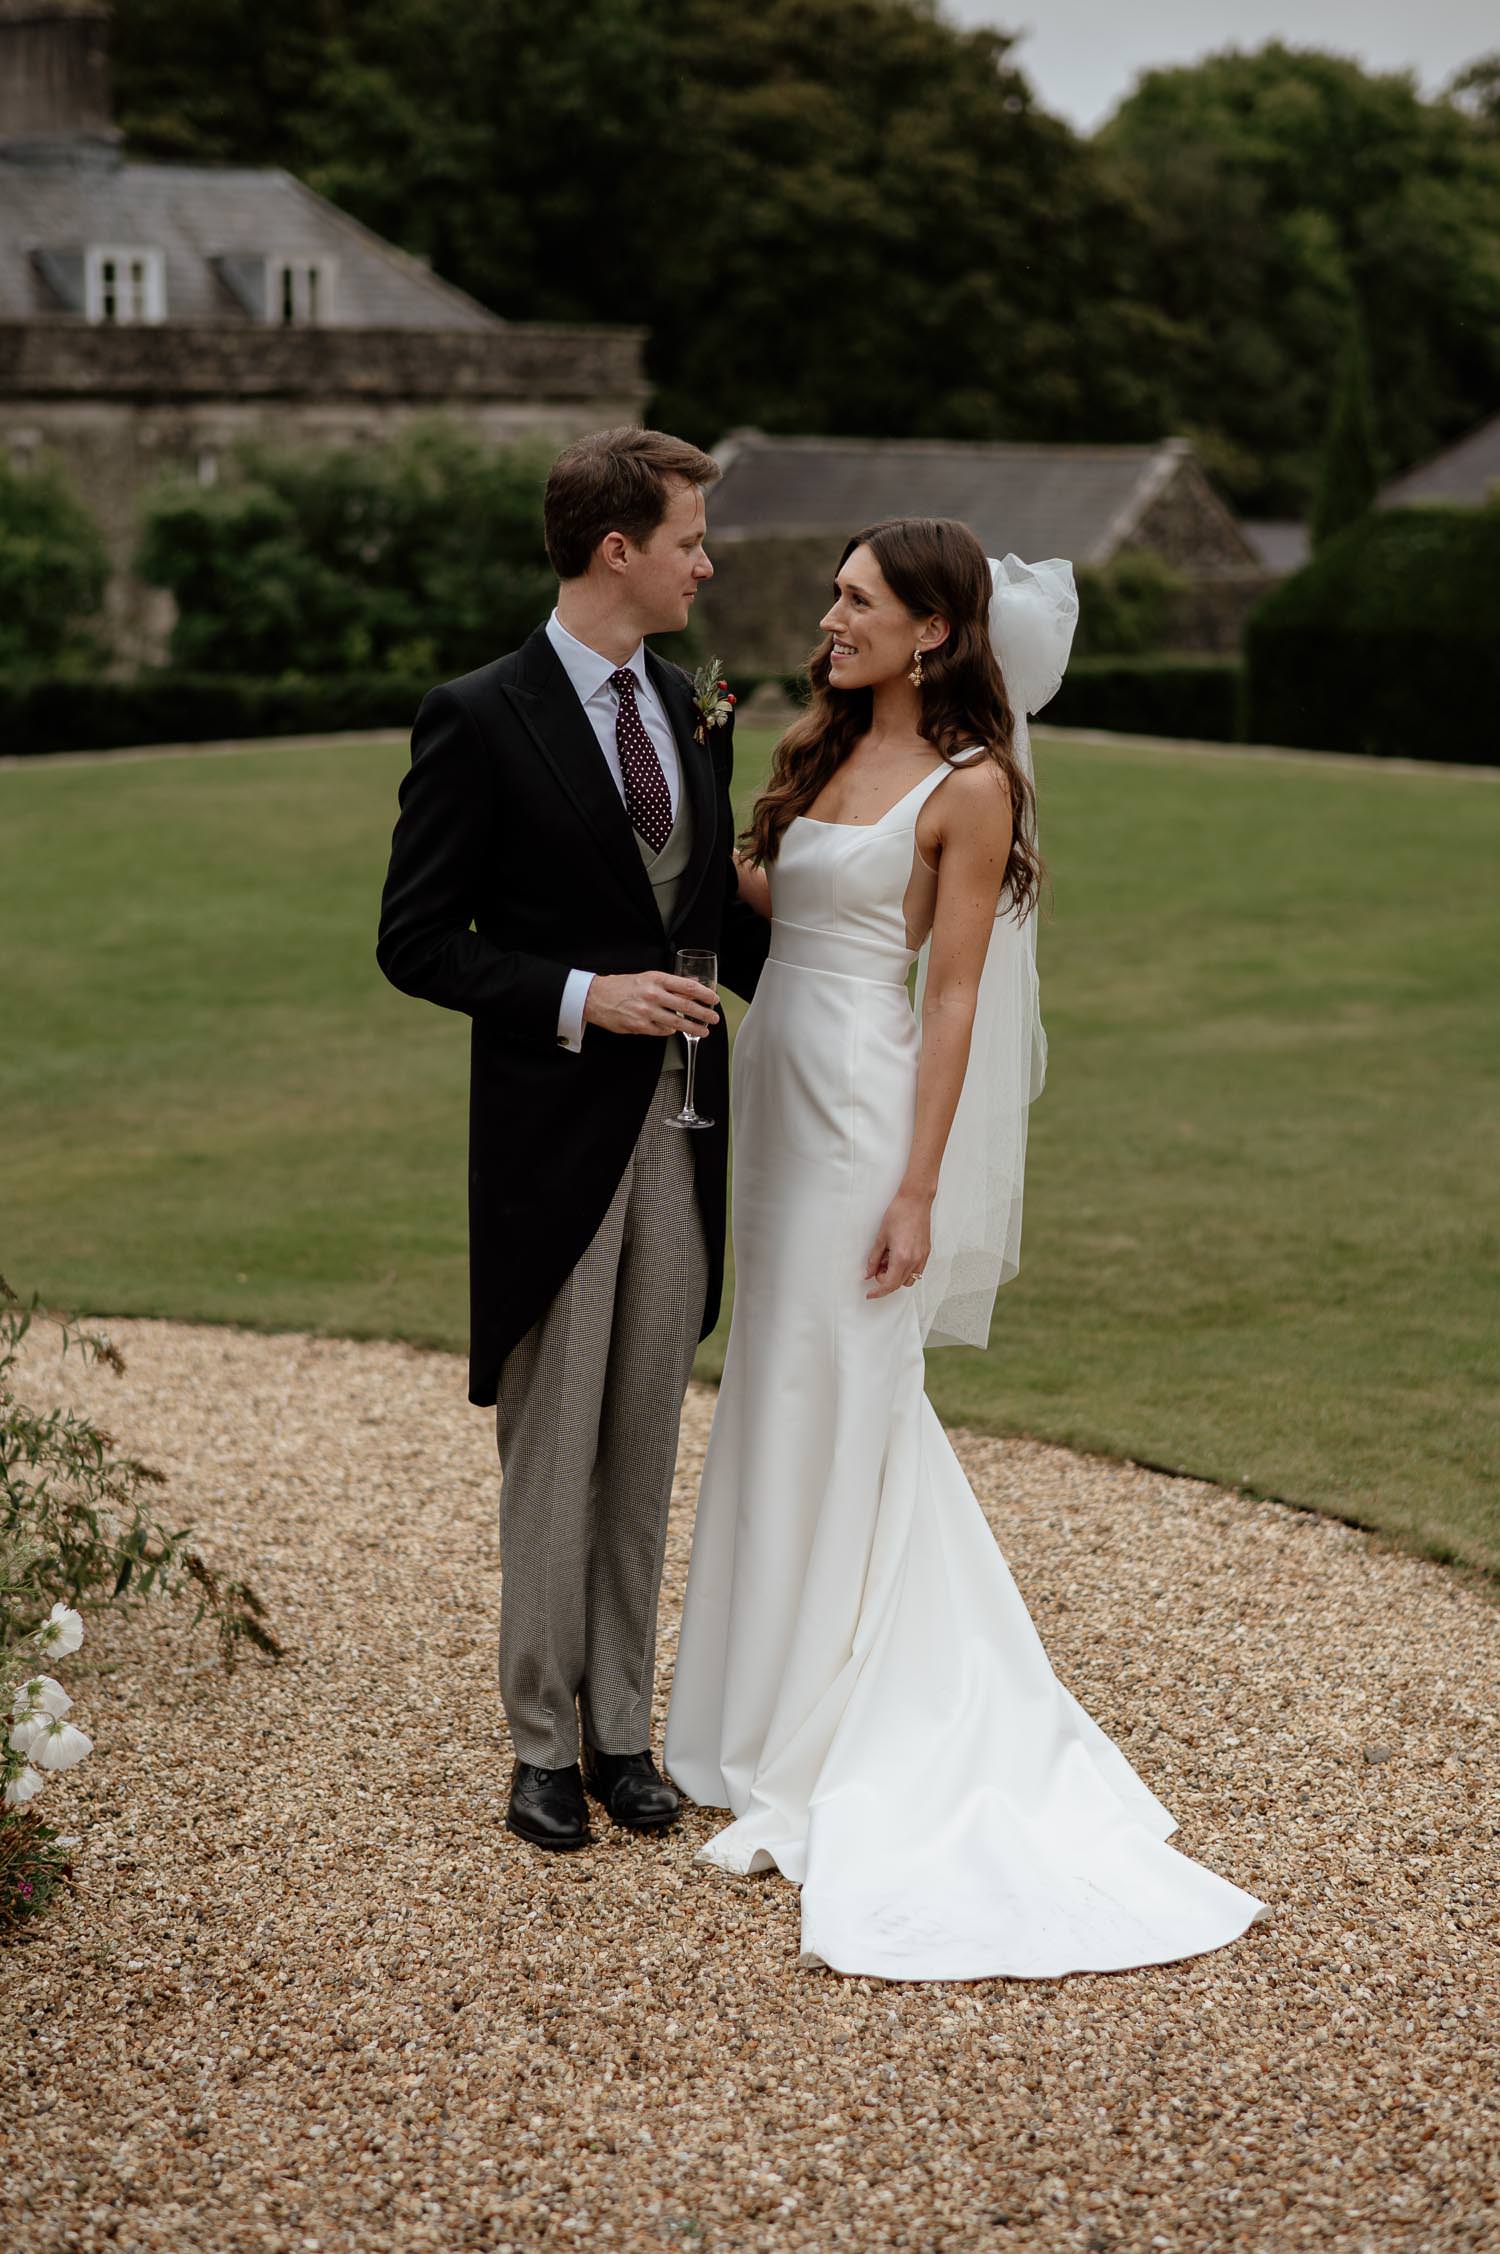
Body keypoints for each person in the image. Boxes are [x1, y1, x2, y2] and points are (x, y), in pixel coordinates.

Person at [665, 517, 1269, 1979]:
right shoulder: (820, 750)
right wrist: (692, 772)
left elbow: (948, 999)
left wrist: (920, 1187)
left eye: (859, 598)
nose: (831, 613)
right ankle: (749, 1707)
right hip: (782, 1100)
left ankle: (845, 1711)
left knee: (848, 1394)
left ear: (934, 629)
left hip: (871, 1120)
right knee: (778, 1385)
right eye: (836, 595)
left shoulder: (971, 782)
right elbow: (776, 907)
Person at [377, 427, 769, 1854]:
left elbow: (712, 914)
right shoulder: (477, 715)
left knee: (644, 1432)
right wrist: (578, 997)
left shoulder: (694, 704)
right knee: (554, 1447)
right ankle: (541, 1742)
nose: (705, 562)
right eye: (688, 540)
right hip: (551, 1132)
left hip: (681, 1125)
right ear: (619, 550)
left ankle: (623, 1731)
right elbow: (412, 941)